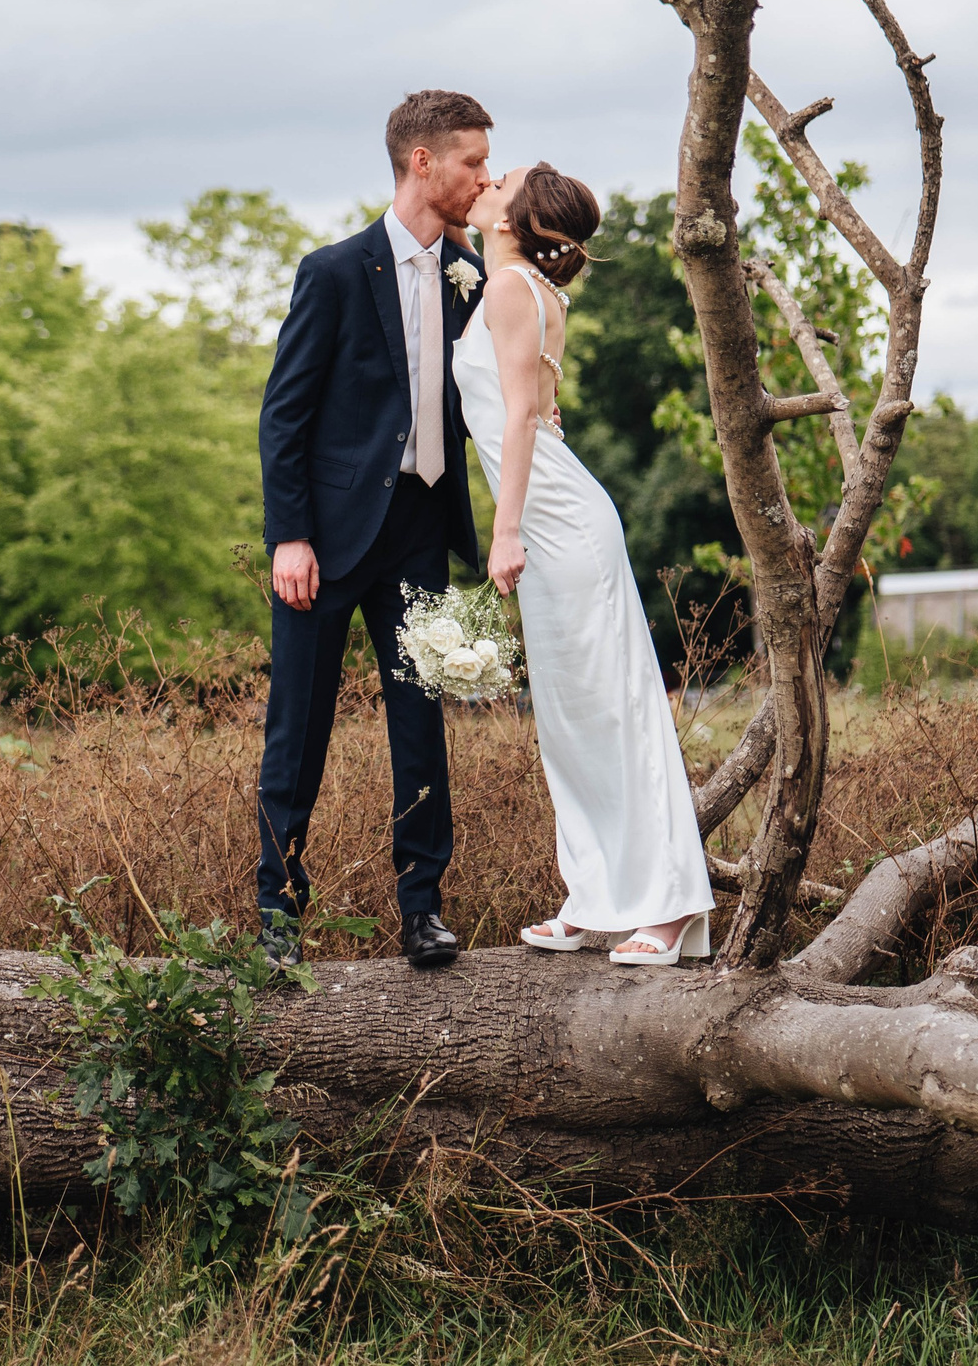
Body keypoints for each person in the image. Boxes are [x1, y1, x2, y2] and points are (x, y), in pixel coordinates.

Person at [454, 163, 716, 964]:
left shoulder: (510, 292)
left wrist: (504, 533)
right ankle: (594, 895)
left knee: (615, 709)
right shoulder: (518, 286)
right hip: (550, 517)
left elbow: (524, 421)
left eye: (502, 180)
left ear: (515, 220)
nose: (488, 179)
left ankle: (667, 910)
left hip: (556, 522)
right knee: (570, 721)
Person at [255, 89, 493, 970]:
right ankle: (278, 914)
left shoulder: (475, 275)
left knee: (419, 721)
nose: (484, 176)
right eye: (471, 160)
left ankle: (423, 907)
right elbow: (284, 415)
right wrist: (290, 535)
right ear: (421, 162)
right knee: (299, 724)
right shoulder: (334, 270)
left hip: (422, 528)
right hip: (326, 539)